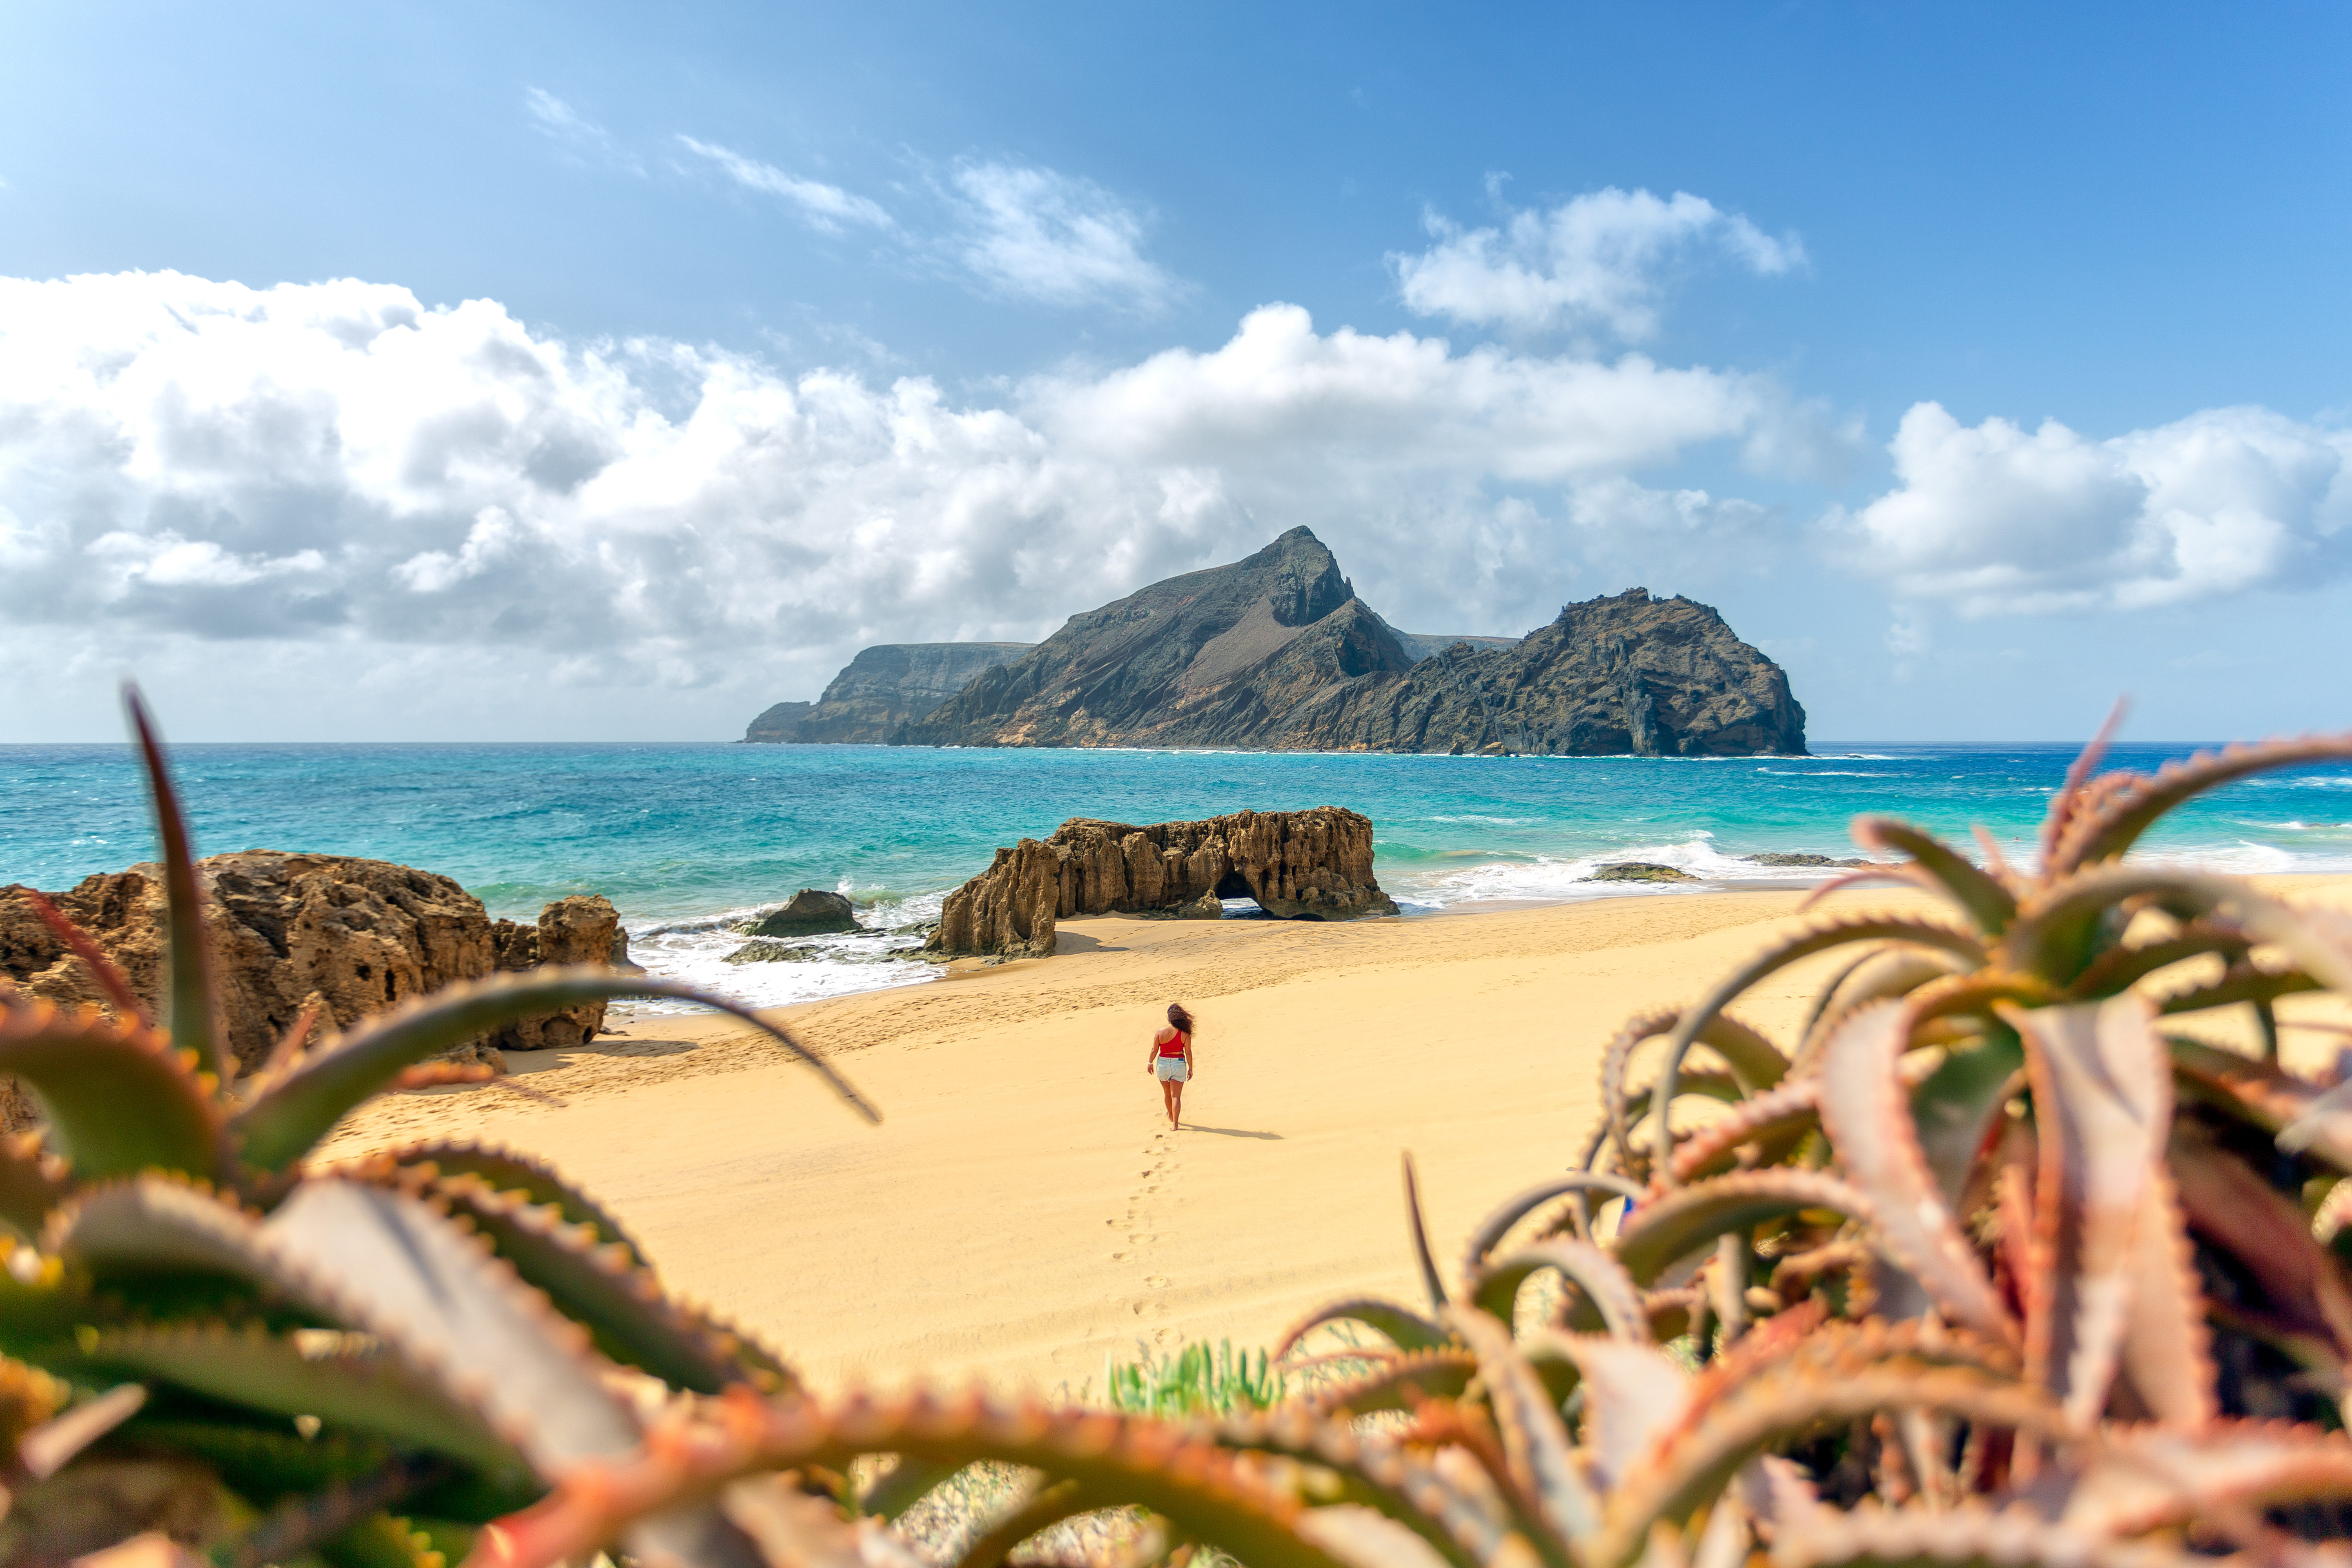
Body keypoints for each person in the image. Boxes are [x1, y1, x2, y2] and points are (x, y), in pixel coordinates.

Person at [1146, 1003, 1195, 1129]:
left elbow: (1154, 1050)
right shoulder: (1185, 1034)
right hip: (1178, 1063)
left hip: (1163, 1064)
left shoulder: (1160, 1032)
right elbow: (1188, 1053)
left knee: (1167, 1094)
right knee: (1176, 1097)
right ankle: (1175, 1125)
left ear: (1169, 1018)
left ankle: (1171, 1116)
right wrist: (1191, 1068)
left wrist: (1150, 1062)